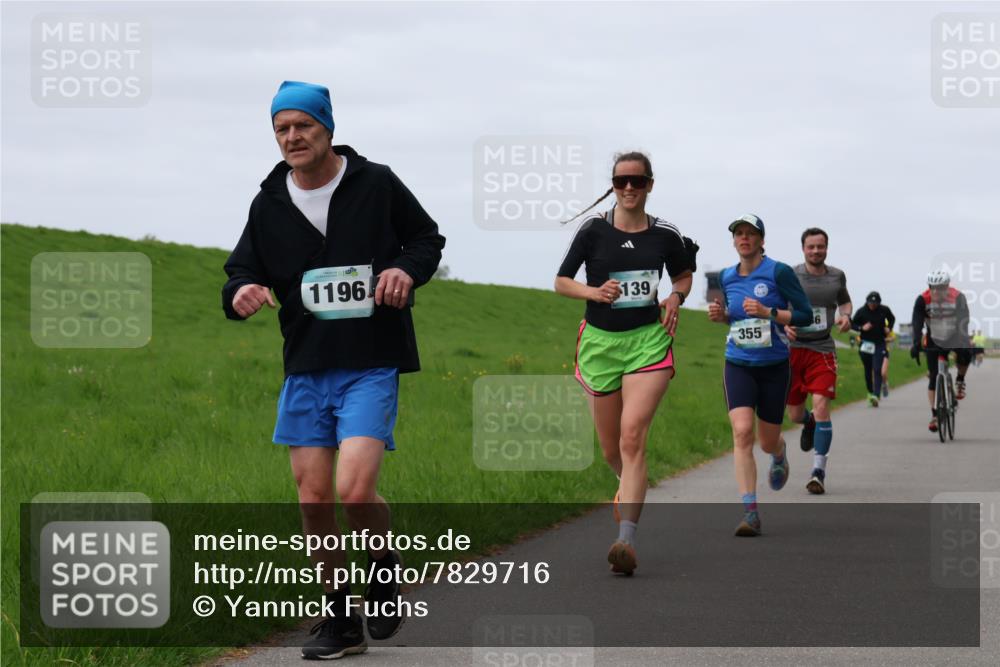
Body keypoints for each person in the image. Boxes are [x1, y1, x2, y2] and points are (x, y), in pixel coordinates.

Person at [222, 81, 445, 660]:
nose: (292, 137)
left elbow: (426, 239)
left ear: (327, 128)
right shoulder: (268, 204)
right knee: (315, 497)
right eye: (282, 128)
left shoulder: (376, 183)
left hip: (370, 361)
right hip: (306, 367)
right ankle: (340, 618)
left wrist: (403, 271)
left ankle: (382, 560)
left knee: (353, 487)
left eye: (303, 126)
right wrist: (241, 289)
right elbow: (241, 269)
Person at [556, 151, 694, 574]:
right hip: (600, 344)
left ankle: (625, 541)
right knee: (611, 449)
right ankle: (628, 486)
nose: (629, 188)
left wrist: (675, 296)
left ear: (650, 184)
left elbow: (683, 274)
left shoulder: (665, 234)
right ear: (613, 185)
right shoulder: (594, 230)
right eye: (621, 182)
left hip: (648, 343)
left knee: (633, 438)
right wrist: (594, 293)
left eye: (637, 181)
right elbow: (562, 281)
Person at [708, 215, 812, 536]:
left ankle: (779, 453)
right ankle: (750, 512)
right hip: (737, 363)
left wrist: (770, 313)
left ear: (761, 240)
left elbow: (805, 314)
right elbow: (736, 319)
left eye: (750, 234)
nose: (744, 239)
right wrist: (722, 316)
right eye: (739, 234)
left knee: (766, 441)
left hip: (774, 367)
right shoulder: (726, 277)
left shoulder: (779, 272)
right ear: (734, 241)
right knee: (741, 433)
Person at [783, 228, 852, 495]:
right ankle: (808, 423)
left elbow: (845, 302)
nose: (816, 251)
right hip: (794, 350)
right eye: (811, 247)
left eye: (820, 247)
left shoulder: (837, 276)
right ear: (803, 249)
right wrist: (783, 325)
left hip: (822, 349)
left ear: (827, 248)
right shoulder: (790, 274)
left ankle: (818, 471)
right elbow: (777, 304)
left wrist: (846, 316)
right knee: (795, 414)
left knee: (822, 405)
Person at [910, 270, 973, 432]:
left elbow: (964, 321)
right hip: (933, 337)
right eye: (933, 287)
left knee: (966, 353)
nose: (936, 291)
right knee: (933, 376)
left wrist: (962, 341)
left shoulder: (958, 297)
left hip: (954, 333)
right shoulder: (922, 300)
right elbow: (917, 323)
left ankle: (960, 379)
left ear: (947, 286)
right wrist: (916, 343)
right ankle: (935, 415)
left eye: (940, 287)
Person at [851, 292, 895, 407]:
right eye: (871, 303)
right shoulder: (861, 311)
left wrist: (888, 328)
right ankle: (870, 393)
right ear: (867, 302)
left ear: (879, 303)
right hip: (865, 344)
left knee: (877, 369)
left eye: (875, 304)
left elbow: (892, 318)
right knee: (868, 369)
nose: (873, 305)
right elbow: (852, 324)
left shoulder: (884, 310)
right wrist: (861, 327)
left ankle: (876, 395)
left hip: (880, 343)